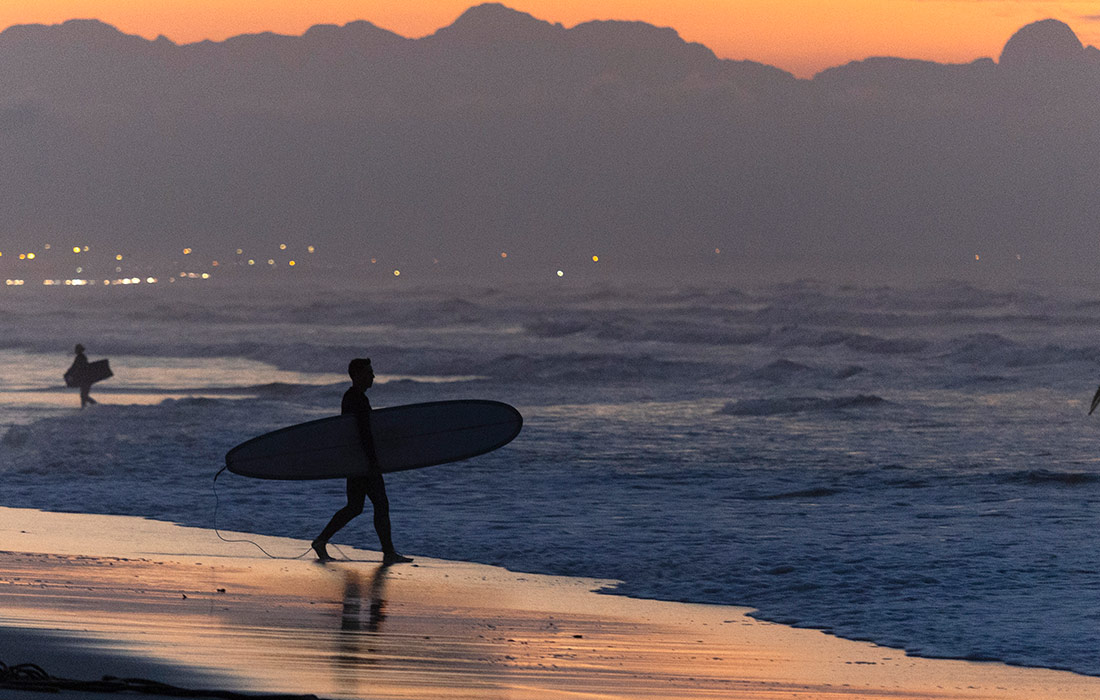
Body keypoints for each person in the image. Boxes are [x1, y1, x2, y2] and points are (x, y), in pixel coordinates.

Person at [313, 358, 411, 564]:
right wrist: (372, 461)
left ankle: (321, 541)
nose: (373, 376)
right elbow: (363, 433)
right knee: (380, 504)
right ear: (357, 375)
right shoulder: (356, 399)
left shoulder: (353, 397)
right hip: (362, 462)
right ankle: (389, 552)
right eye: (369, 373)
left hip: (355, 460)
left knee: (355, 506)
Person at [66, 344, 98, 409]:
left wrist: (68, 373)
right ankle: (85, 407)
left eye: (76, 349)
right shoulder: (82, 357)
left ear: (78, 350)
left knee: (83, 395)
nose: (75, 350)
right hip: (86, 378)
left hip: (85, 379)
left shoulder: (80, 357)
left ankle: (95, 405)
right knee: (83, 395)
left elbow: (74, 367)